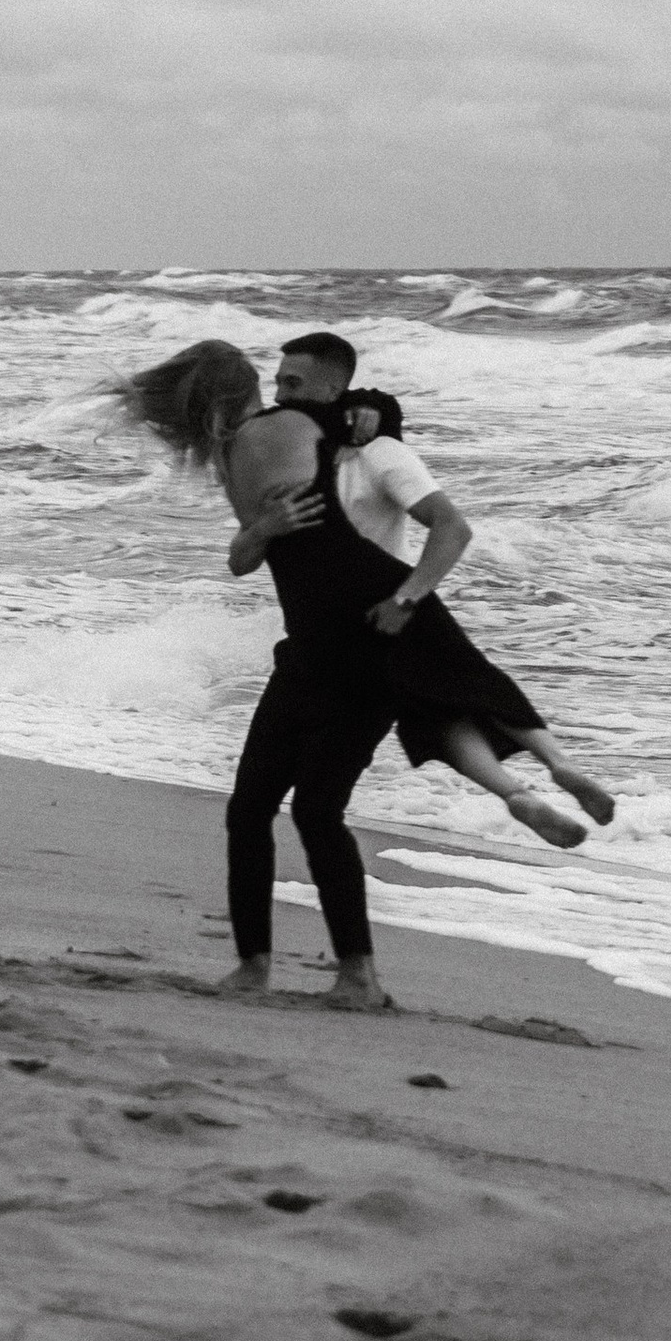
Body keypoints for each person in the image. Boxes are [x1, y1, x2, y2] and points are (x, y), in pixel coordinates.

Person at [118, 333, 404, 1011]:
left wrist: (379, 408)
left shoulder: (324, 429)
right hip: (304, 655)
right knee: (248, 809)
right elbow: (242, 559)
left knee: (317, 810)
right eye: (275, 384)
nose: (282, 395)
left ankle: (359, 977)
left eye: (293, 384)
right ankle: (253, 967)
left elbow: (365, 412)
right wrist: (266, 526)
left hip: (368, 656)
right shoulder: (241, 452)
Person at [323, 387, 616, 846]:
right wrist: (407, 598)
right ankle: (561, 764)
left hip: (337, 618)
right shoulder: (383, 453)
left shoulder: (308, 465)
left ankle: (514, 794)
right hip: (399, 597)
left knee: (438, 721)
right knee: (484, 690)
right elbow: (454, 527)